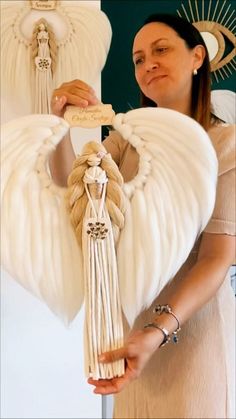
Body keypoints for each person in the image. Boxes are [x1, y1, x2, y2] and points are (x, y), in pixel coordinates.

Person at [49, 14, 235, 419]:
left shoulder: (226, 144)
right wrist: (60, 126)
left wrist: (157, 331)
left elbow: (217, 257)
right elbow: (73, 189)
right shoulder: (125, 143)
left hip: (193, 331)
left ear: (197, 57)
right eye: (137, 59)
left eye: (161, 50)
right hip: (132, 330)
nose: (147, 64)